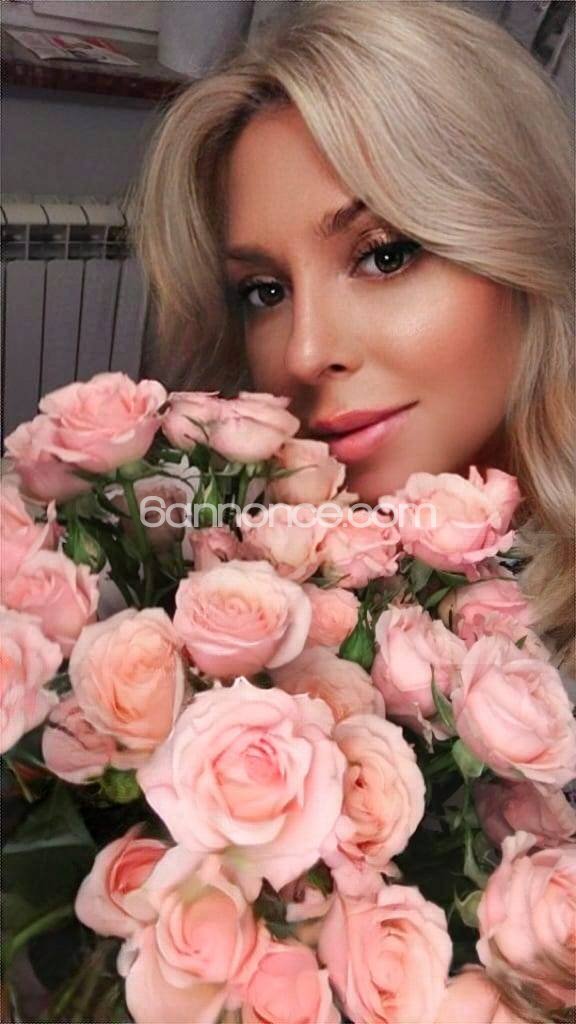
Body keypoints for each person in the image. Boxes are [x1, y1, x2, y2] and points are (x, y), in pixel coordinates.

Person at [131, 0, 574, 677]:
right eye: (265, 291)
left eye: (385, 256)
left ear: (522, 247)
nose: (304, 354)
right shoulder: (235, 574)